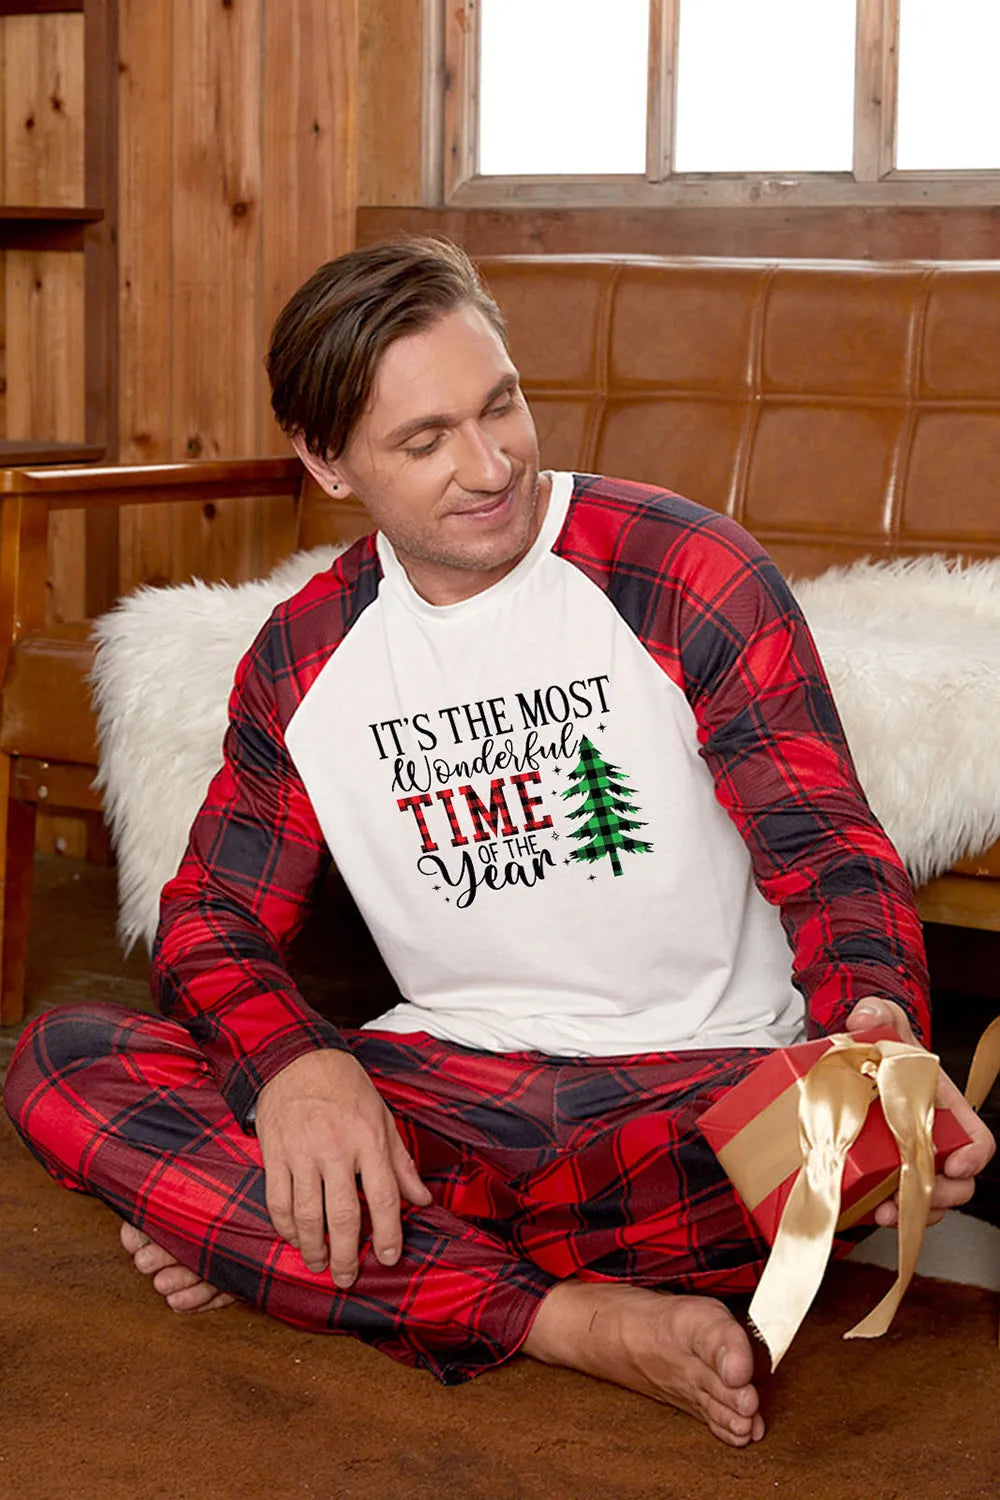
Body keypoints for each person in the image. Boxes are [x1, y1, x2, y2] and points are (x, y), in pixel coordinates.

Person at [5, 239, 993, 1449]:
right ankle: (564, 1319)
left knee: (814, 1149)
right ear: (327, 463)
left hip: (696, 1097)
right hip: (445, 1089)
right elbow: (211, 917)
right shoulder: (303, 656)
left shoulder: (680, 566)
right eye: (425, 442)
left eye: (500, 406)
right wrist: (301, 1075)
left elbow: (824, 842)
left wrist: (875, 1028)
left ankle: (299, 1238)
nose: (489, 467)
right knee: (64, 1059)